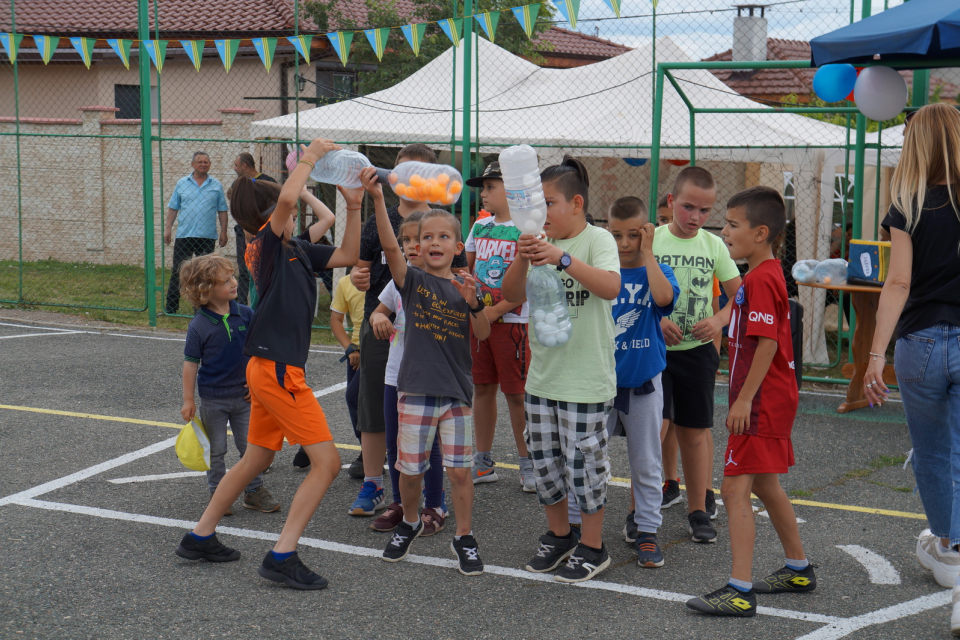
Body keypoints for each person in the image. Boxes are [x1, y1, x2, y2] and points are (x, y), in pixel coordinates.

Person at [174, 137, 362, 591]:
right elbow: (289, 198)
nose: (292, 211)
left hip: (268, 368)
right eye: (284, 205)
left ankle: (200, 536)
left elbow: (347, 256)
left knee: (254, 459)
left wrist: (355, 206)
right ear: (269, 213)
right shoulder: (265, 246)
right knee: (327, 463)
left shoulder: (295, 248)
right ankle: (283, 554)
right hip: (278, 370)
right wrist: (312, 158)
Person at [687, 185, 813, 617]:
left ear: (760, 233)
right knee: (765, 484)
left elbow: (766, 346)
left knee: (734, 489)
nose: (724, 231)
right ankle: (798, 568)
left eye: (733, 224)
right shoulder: (765, 274)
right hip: (770, 400)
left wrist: (742, 401)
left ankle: (739, 589)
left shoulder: (761, 279)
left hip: (760, 403)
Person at [862, 103, 960, 636]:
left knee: (931, 451)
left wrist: (876, 356)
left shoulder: (907, 203)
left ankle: (949, 545)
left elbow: (896, 284)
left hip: (919, 342)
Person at [364, 167, 491, 575]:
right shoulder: (412, 281)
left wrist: (474, 303)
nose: (433, 242)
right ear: (417, 246)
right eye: (426, 237)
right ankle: (410, 521)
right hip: (416, 391)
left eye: (443, 236)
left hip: (456, 395)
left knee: (459, 472)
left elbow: (484, 332)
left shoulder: (465, 284)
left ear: (458, 246)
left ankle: (465, 536)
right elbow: (389, 244)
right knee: (410, 470)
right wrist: (380, 201)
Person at [502, 156, 621, 583]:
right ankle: (559, 535)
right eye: (535, 202)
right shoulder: (535, 242)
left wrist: (561, 259)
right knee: (546, 462)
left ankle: (593, 546)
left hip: (586, 381)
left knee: (584, 466)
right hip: (543, 378)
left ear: (575, 203)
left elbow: (611, 286)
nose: (540, 212)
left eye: (548, 203)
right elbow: (511, 294)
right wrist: (523, 255)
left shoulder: (597, 239)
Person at [349, 144, 468, 517]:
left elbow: (464, 287)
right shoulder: (381, 227)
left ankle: (434, 503)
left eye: (419, 171)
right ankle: (379, 487)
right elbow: (362, 265)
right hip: (387, 340)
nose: (422, 245)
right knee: (380, 414)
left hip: (432, 350)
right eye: (400, 170)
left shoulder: (441, 228)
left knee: (425, 431)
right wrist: (358, 280)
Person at [653, 166, 742, 544]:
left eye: (705, 211)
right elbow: (630, 293)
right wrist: (655, 323)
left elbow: (741, 293)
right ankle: (642, 508)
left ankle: (699, 510)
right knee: (652, 431)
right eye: (688, 207)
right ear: (671, 202)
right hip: (655, 351)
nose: (696, 217)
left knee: (693, 432)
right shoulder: (652, 242)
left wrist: (720, 319)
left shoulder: (714, 246)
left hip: (697, 352)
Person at [606, 197, 679, 567]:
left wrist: (649, 252)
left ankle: (647, 530)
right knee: (586, 458)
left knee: (646, 462)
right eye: (616, 235)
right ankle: (576, 527)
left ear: (646, 233)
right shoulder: (601, 272)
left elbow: (664, 298)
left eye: (633, 235)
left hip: (643, 384)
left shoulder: (658, 270)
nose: (624, 243)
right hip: (601, 385)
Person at [179, 254, 279, 515]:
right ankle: (218, 494)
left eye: (233, 276)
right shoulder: (199, 326)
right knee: (217, 450)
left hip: (246, 397)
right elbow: (191, 364)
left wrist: (258, 384)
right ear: (206, 290)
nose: (235, 282)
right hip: (213, 399)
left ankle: (254, 491)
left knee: (250, 447)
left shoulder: (245, 314)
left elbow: (261, 352)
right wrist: (188, 399)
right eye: (226, 280)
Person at [367, 211, 447, 534]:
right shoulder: (397, 281)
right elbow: (378, 310)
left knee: (430, 446)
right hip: (395, 374)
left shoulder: (443, 281)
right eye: (407, 240)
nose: (414, 246)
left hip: (427, 378)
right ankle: (401, 502)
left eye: (421, 238)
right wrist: (377, 319)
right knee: (394, 442)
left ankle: (435, 503)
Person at [464, 161, 533, 491]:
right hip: (480, 325)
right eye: (483, 187)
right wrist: (477, 311)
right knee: (482, 388)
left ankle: (528, 462)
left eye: (491, 187)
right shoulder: (479, 228)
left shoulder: (528, 230)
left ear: (513, 190)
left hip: (512, 323)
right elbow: (468, 270)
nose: (484, 193)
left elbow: (530, 282)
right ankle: (483, 460)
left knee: (516, 395)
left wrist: (498, 311)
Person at [292, 269, 365, 475]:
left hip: (380, 349)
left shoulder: (389, 276)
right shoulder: (345, 282)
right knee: (354, 400)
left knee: (355, 397)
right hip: (357, 351)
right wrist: (350, 347)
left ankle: (370, 451)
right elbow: (336, 320)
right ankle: (312, 443)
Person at [164, 151, 229, 315]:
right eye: (200, 161)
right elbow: (173, 208)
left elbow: (222, 210)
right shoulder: (182, 183)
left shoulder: (216, 185)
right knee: (178, 271)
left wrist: (224, 232)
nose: (203, 164)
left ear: (210, 165)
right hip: (184, 235)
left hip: (207, 236)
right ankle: (171, 307)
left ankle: (201, 308)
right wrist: (168, 229)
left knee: (205, 274)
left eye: (206, 162)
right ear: (192, 164)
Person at [232, 152, 277, 306]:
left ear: (245, 165)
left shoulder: (267, 181)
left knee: (263, 271)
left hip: (267, 234)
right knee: (244, 270)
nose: (235, 168)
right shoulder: (238, 183)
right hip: (245, 232)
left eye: (236, 165)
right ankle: (242, 304)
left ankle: (264, 302)